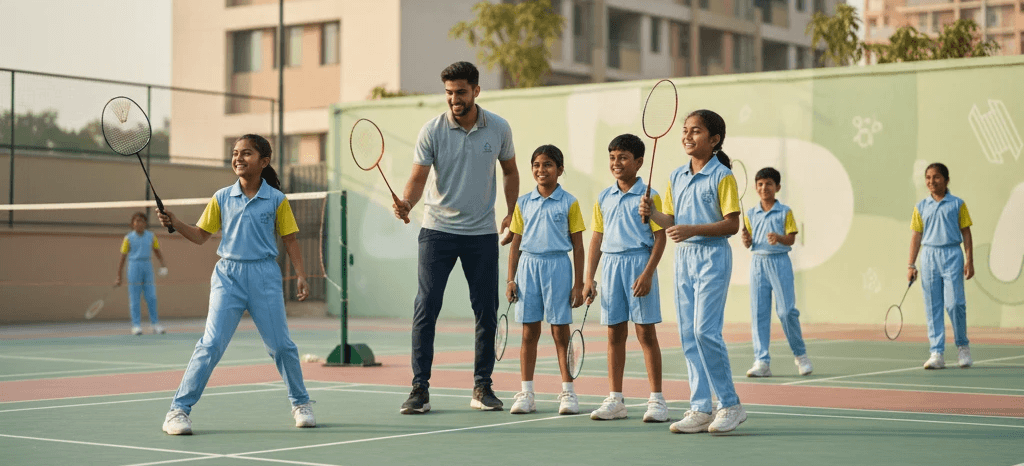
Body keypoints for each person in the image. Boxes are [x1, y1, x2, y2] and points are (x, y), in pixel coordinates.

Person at [156, 134, 315, 435]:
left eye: (247, 153)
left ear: (264, 161)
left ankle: (301, 403)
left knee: (281, 346)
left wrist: (301, 275)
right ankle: (178, 411)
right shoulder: (221, 198)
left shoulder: (277, 200)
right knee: (211, 344)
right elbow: (201, 235)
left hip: (265, 276)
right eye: (235, 153)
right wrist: (175, 222)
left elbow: (290, 240)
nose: (239, 158)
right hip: (228, 277)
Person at [392, 61, 519, 414]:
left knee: (486, 312)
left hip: (481, 234)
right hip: (437, 231)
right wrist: (407, 202)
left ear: (476, 91)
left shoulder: (499, 128)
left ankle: (482, 387)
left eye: (460, 92)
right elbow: (417, 179)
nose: (454, 99)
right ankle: (419, 389)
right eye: (448, 93)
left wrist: (511, 211)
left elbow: (509, 171)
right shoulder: (432, 130)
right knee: (426, 308)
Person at [639, 109, 746, 434]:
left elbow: (732, 223)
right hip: (684, 260)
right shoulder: (675, 177)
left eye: (696, 131)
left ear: (713, 140)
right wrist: (653, 213)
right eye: (685, 130)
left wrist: (692, 230)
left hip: (712, 258)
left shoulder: (722, 176)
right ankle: (700, 408)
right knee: (687, 335)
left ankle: (730, 405)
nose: (687, 135)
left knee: (705, 331)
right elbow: (671, 222)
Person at [583, 134, 668, 423]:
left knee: (646, 334)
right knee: (614, 334)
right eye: (612, 157)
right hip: (611, 266)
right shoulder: (604, 197)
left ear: (639, 162)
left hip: (638, 265)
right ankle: (615, 399)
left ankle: (657, 400)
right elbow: (596, 238)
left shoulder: (649, 196)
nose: (616, 163)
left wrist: (648, 273)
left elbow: (660, 238)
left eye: (623, 157)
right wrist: (589, 279)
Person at [505, 144, 586, 415]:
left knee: (560, 333)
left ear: (560, 170)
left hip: (558, 267)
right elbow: (515, 245)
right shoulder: (523, 203)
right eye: (537, 165)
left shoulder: (569, 202)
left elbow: (579, 246)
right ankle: (526, 393)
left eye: (548, 164)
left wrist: (578, 283)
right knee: (529, 333)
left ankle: (568, 393)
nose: (542, 169)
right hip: (528, 268)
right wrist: (510, 279)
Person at [739, 167, 812, 378]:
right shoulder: (751, 214)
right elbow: (748, 242)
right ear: (755, 187)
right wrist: (746, 240)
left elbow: (791, 238)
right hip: (758, 264)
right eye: (760, 184)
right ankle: (762, 361)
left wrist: (779, 238)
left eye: (769, 184)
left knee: (786, 311)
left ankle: (801, 356)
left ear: (777, 187)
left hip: (780, 262)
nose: (764, 188)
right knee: (759, 313)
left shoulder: (785, 212)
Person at [907, 162, 974, 370]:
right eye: (928, 178)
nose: (931, 181)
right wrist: (911, 264)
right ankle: (937, 353)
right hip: (928, 257)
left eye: (936, 177)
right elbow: (916, 237)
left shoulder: (958, 204)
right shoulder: (921, 207)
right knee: (932, 305)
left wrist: (969, 259)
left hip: (952, 254)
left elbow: (966, 233)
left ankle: (963, 347)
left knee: (955, 304)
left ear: (946, 180)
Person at [115, 211, 168, 335]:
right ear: (132, 224)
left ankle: (155, 324)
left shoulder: (151, 236)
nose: (139, 223)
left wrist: (163, 265)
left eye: (142, 221)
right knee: (134, 298)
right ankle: (136, 326)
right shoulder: (128, 238)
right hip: (134, 266)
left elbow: (157, 251)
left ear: (145, 224)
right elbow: (122, 258)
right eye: (137, 221)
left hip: (147, 266)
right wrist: (119, 276)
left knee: (152, 297)